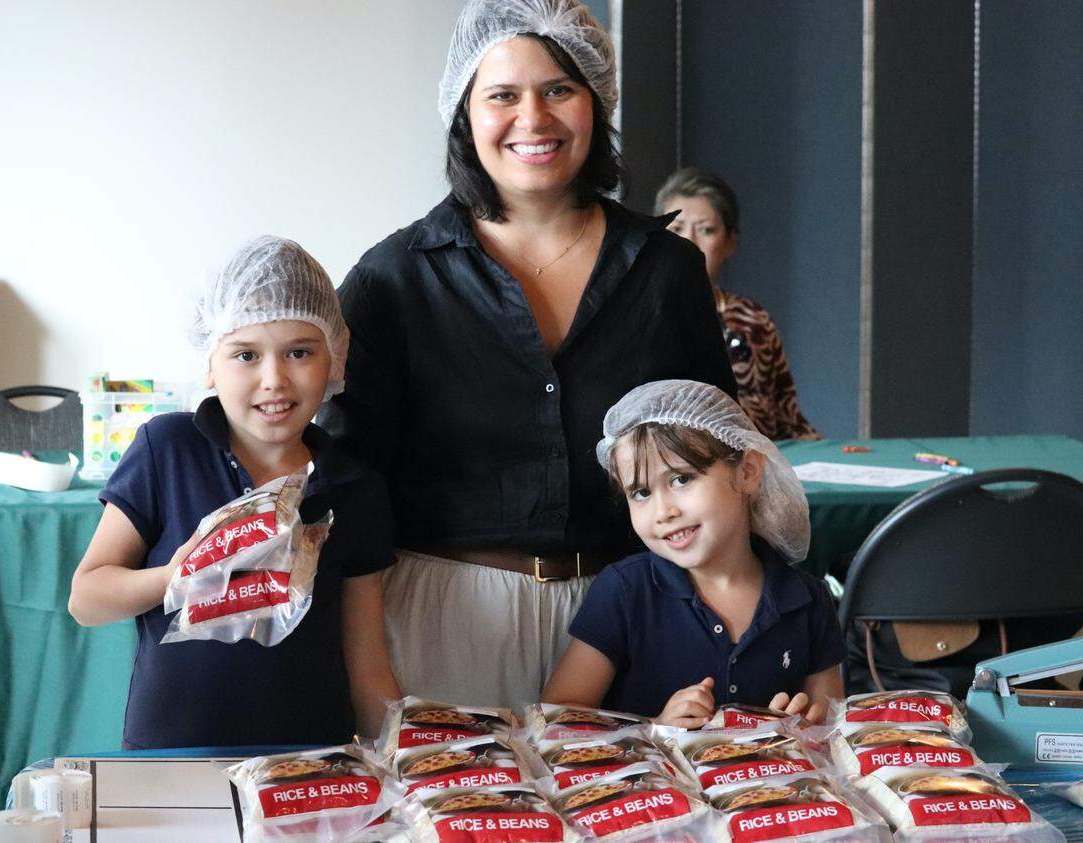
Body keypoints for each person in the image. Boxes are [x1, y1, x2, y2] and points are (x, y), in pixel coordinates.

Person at [320, 0, 736, 709]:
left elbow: (719, 454)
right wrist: (368, 676)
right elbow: (349, 487)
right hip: (444, 620)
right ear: (465, 112)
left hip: (635, 614)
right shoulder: (395, 279)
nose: (533, 119)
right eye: (503, 95)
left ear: (596, 102)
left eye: (559, 90)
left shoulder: (667, 272)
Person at [68, 236, 400, 747]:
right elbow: (87, 600)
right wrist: (177, 577)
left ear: (334, 358)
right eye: (246, 354)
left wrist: (402, 768)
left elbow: (367, 662)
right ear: (209, 363)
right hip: (170, 756)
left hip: (307, 767)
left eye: (300, 352)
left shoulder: (355, 488)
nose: (274, 379)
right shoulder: (167, 449)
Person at [542, 380, 843, 726]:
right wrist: (656, 728)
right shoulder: (625, 591)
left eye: (681, 480)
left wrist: (806, 728)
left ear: (748, 472)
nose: (663, 511)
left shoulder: (807, 600)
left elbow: (831, 724)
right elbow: (557, 719)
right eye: (640, 492)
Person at [655, 168, 820, 441]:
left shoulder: (753, 320)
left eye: (706, 230)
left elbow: (788, 418)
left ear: (730, 242)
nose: (689, 242)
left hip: (756, 471)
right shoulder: (639, 317)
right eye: (675, 229)